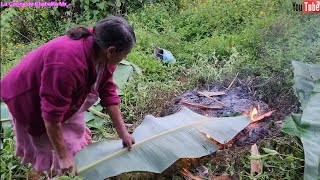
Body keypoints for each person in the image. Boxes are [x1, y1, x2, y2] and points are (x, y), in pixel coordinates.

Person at [0, 16, 136, 176]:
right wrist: (62, 155)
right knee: (50, 154)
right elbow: (51, 116)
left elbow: (107, 91)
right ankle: (49, 173)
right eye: (125, 54)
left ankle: (71, 167)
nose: (125, 58)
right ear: (111, 50)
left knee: (74, 139)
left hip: (63, 100)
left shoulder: (101, 51)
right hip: (30, 100)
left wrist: (123, 133)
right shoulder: (67, 64)